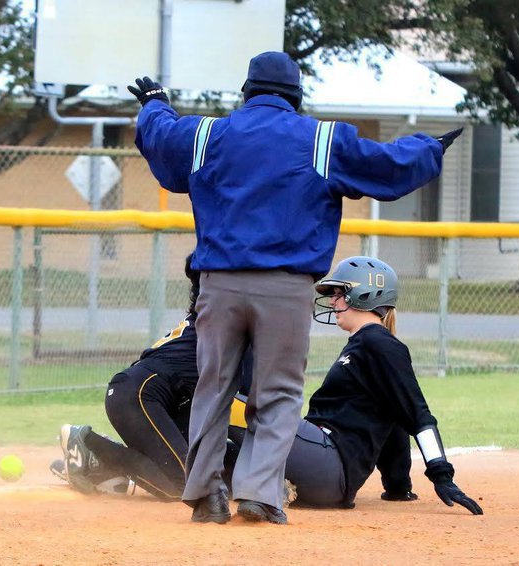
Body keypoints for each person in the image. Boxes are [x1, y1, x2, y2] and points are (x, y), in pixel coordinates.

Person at [128, 50, 463, 525]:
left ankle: (205, 494)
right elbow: (386, 165)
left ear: (247, 93)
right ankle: (260, 495)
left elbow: (162, 136)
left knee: (213, 388)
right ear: (296, 96)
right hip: (284, 289)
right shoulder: (322, 139)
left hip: (218, 287)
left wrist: (155, 103)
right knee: (278, 394)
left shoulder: (207, 134)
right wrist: (430, 148)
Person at [284, 255, 482, 513]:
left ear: (364, 295)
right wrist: (398, 486)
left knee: (248, 406)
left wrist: (442, 474)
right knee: (228, 457)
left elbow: (416, 413)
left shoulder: (379, 344)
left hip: (328, 461)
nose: (332, 301)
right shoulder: (363, 344)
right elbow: (394, 416)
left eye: (339, 293)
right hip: (324, 471)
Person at [57, 254, 250, 500]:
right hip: (138, 395)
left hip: (162, 401)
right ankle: (92, 447)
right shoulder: (220, 325)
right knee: (184, 485)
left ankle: (101, 468)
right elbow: (247, 405)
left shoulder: (214, 321)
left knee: (201, 475)